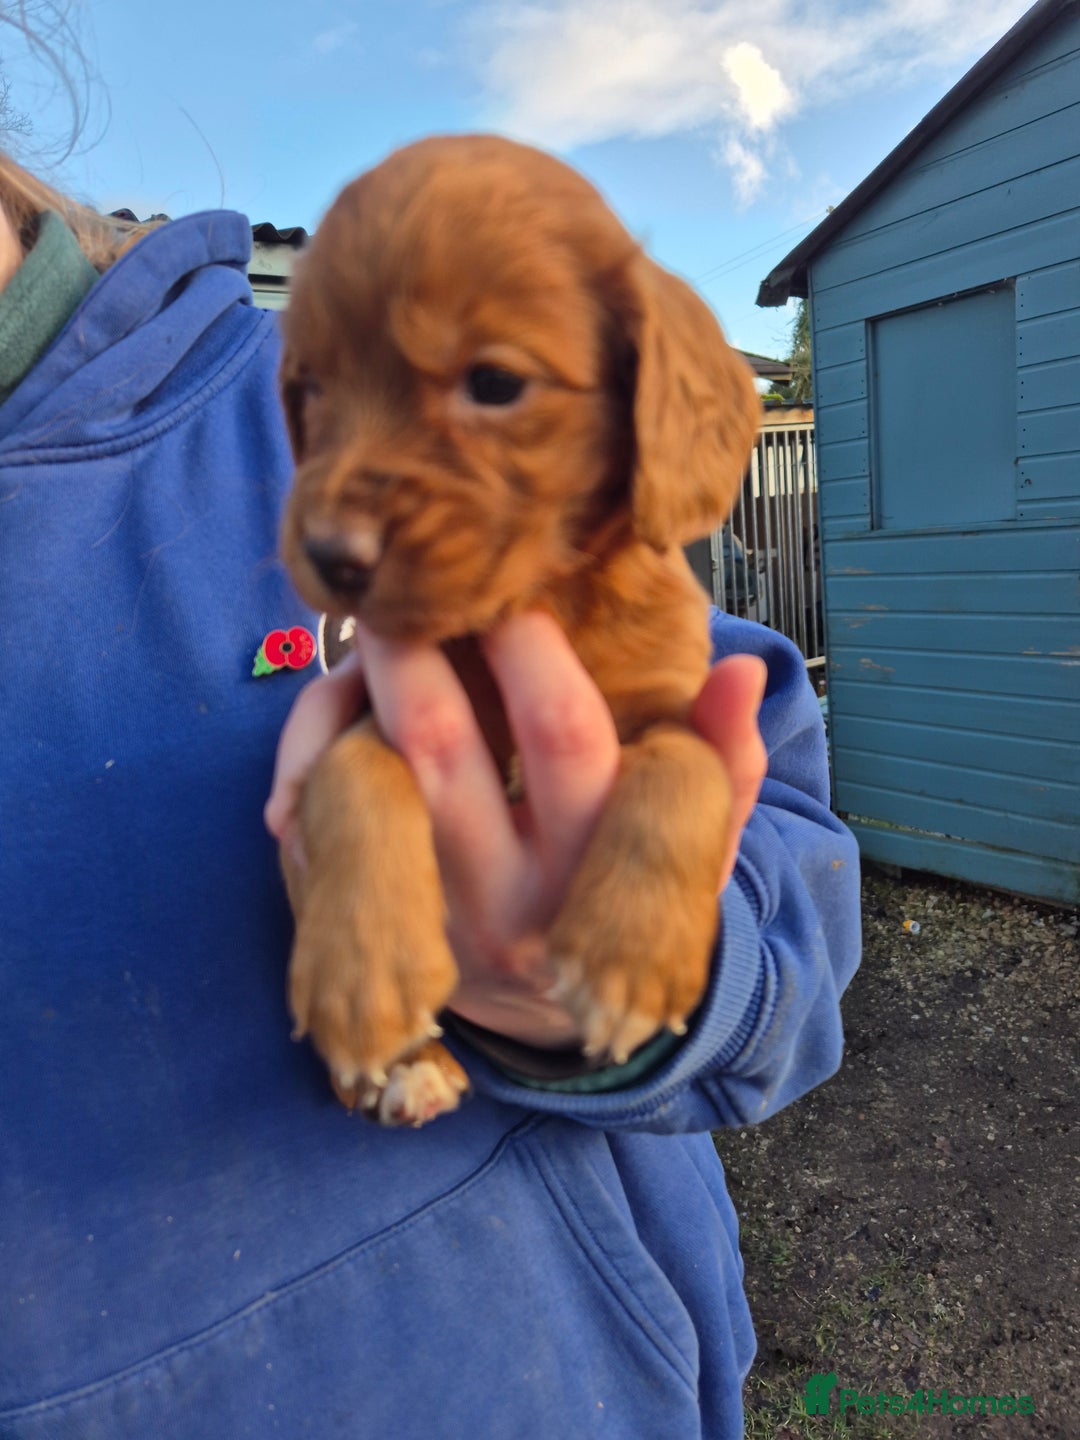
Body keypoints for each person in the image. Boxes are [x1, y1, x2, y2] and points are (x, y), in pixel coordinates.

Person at [0, 142, 861, 1439]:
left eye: (493, 384)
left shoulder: (572, 548)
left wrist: (638, 970)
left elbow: (764, 831)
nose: (338, 507)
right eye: (319, 401)